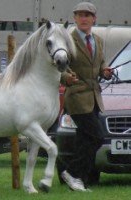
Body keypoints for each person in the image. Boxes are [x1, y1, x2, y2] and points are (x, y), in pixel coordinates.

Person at [60, 2, 113, 192]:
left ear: (94, 19)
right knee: (97, 137)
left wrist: (105, 71)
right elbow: (59, 67)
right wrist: (66, 77)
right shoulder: (67, 40)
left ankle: (79, 180)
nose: (83, 18)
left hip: (94, 97)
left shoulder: (97, 40)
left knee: (85, 139)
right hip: (76, 96)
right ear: (75, 18)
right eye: (80, 15)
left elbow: (99, 65)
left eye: (87, 15)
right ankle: (72, 172)